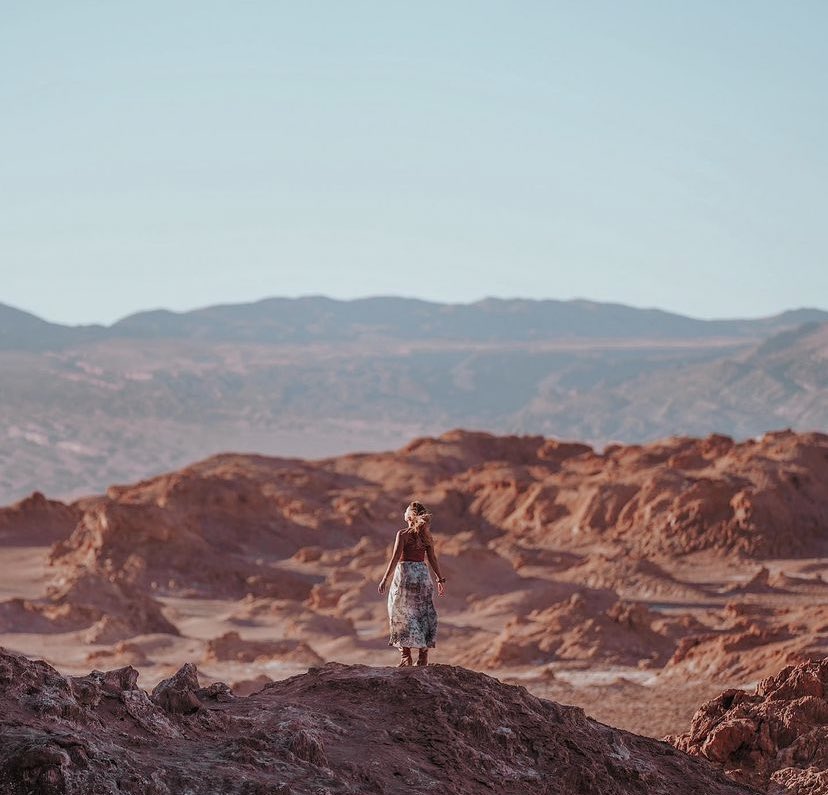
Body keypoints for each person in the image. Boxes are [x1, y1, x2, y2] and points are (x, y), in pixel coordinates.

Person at [378, 500, 446, 666]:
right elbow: (432, 559)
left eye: (406, 510)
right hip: (422, 576)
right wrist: (439, 579)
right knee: (423, 613)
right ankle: (423, 657)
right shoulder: (426, 537)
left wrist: (384, 579)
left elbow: (395, 558)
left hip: (406, 576)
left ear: (410, 516)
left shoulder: (403, 534)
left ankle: (405, 656)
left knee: (399, 612)